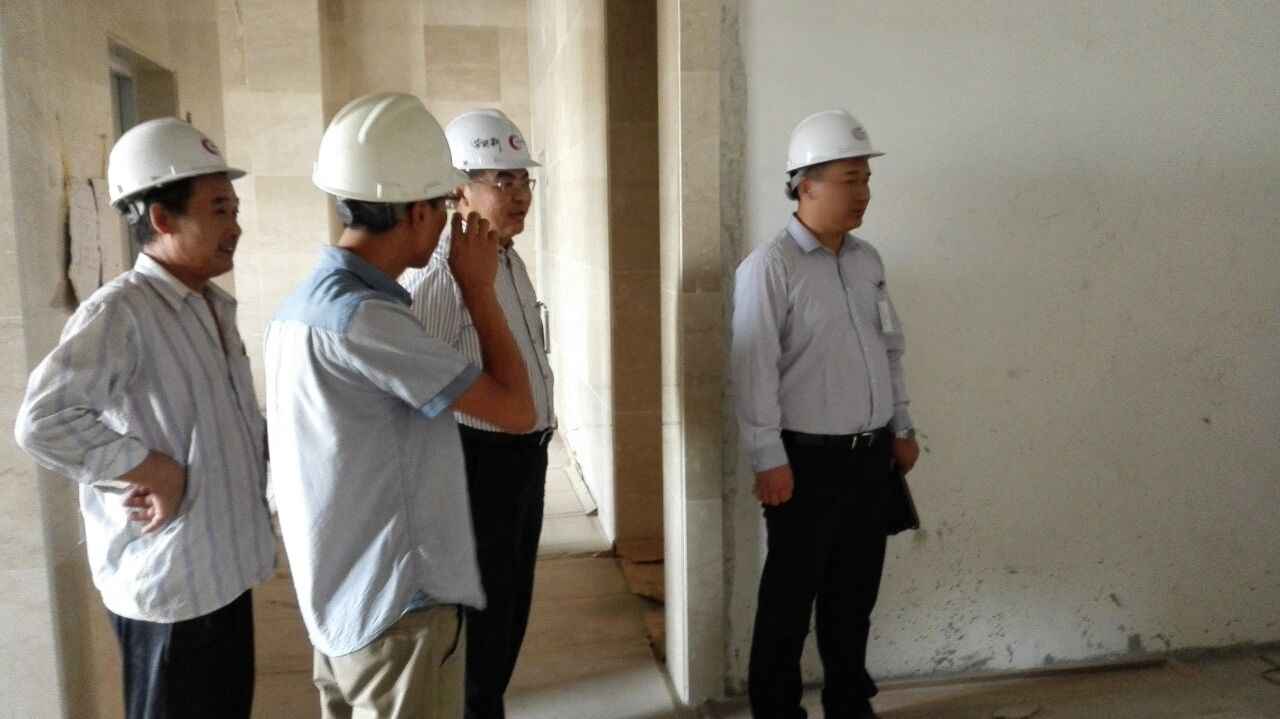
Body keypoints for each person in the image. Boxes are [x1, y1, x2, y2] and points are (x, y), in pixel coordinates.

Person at [264, 92, 535, 719]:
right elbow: (515, 409)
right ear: (416, 212)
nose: (446, 220)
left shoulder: (302, 306)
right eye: (442, 205)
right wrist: (478, 290)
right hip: (395, 610)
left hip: (340, 602)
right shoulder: (368, 320)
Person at [14, 118, 273, 719]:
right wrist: (147, 468)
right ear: (161, 218)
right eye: (219, 210)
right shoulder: (121, 312)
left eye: (234, 209)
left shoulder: (210, 305)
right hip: (172, 587)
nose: (235, 227)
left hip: (226, 570)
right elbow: (43, 419)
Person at [731, 109, 922, 719]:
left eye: (866, 180)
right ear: (805, 184)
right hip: (804, 463)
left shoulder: (867, 262)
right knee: (789, 600)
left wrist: (902, 426)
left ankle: (848, 703)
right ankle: (775, 709)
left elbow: (889, 350)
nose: (863, 193)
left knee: (854, 595)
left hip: (870, 457)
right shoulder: (769, 268)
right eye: (849, 179)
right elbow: (754, 371)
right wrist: (768, 459)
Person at [402, 108, 555, 719]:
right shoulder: (442, 275)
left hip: (525, 458)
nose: (519, 194)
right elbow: (416, 395)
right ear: (458, 190)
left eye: (523, 180)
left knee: (510, 608)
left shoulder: (505, 257)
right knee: (480, 622)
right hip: (477, 465)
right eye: (502, 180)